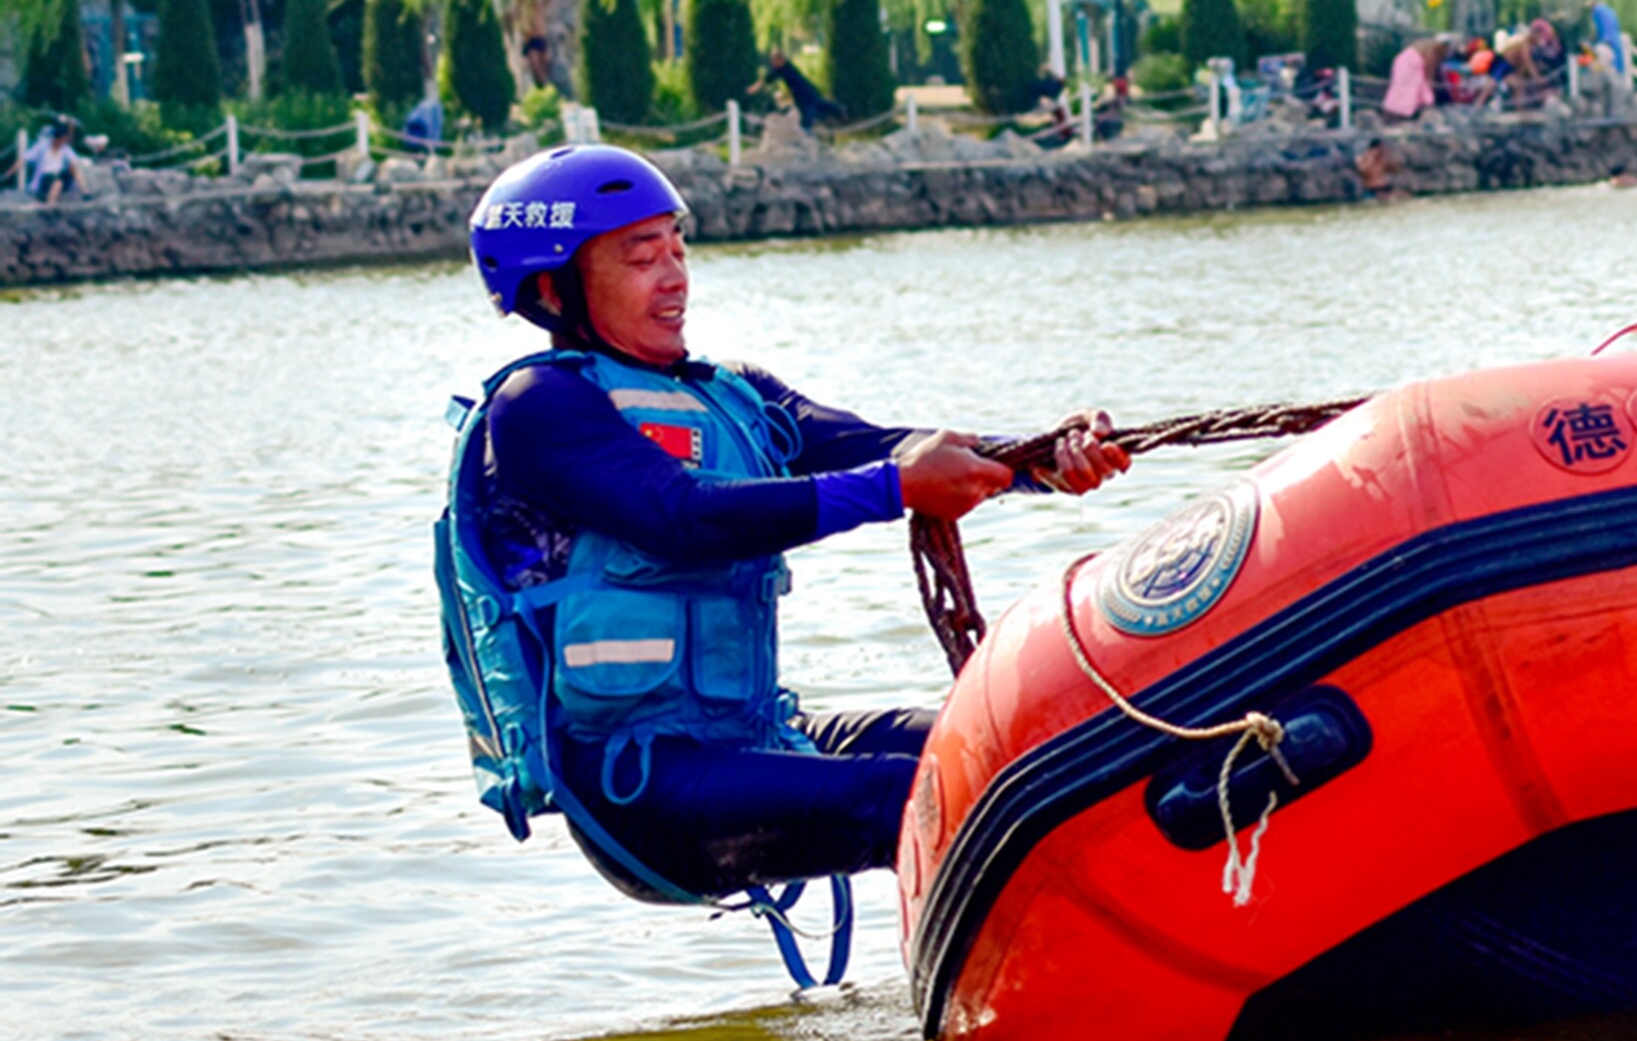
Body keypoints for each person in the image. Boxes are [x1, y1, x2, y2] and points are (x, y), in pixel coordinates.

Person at [435, 144, 1129, 927]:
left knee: (984, 739)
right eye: (640, 257)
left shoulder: (736, 397)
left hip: (759, 732)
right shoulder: (536, 409)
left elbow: (884, 446)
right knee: (916, 793)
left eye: (678, 247)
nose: (674, 276)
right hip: (641, 785)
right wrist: (898, 489)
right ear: (554, 288)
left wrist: (1041, 461)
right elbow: (685, 517)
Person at [759, 49, 845, 130]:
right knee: (818, 107)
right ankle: (838, 111)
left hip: (807, 95)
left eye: (775, 61)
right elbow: (771, 77)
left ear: (781, 60)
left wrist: (758, 85)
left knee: (810, 115)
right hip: (803, 96)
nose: (773, 64)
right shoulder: (783, 68)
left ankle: (839, 111)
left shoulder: (787, 69)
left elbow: (771, 76)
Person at [24, 117, 79, 200]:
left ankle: (86, 193)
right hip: (46, 177)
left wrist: (71, 126)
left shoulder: (64, 148)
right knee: (57, 183)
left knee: (63, 177)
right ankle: (50, 206)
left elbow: (69, 140)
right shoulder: (43, 145)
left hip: (58, 175)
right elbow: (26, 157)